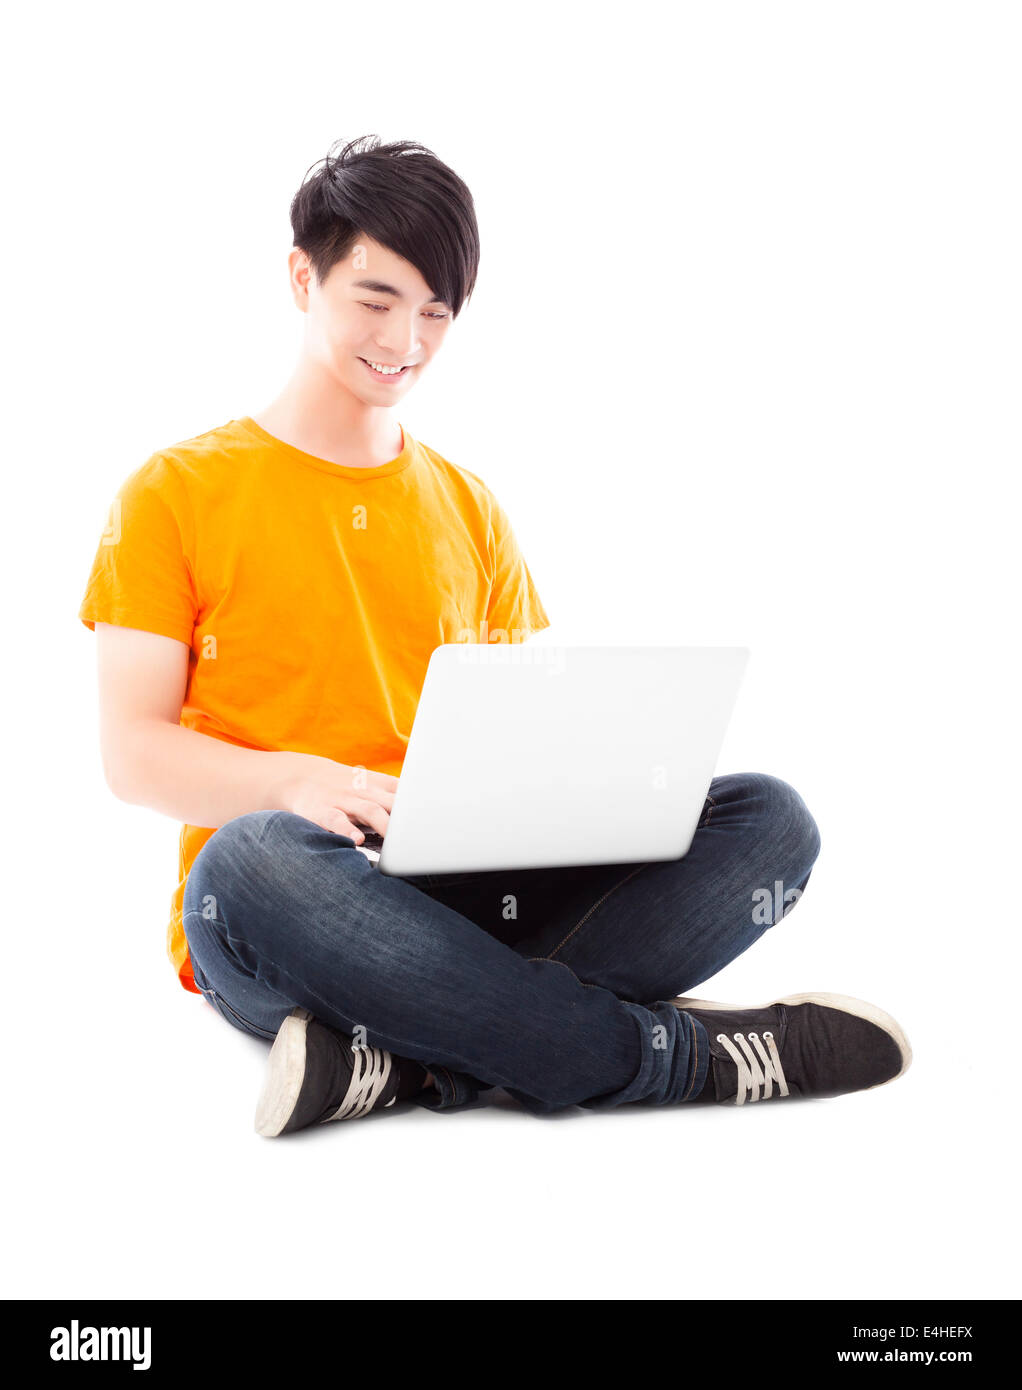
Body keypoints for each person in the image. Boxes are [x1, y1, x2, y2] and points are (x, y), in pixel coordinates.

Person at [78, 135, 911, 1137]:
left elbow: (517, 740)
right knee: (250, 859)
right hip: (289, 913)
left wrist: (575, 805)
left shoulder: (469, 507)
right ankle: (669, 1058)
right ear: (302, 277)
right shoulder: (174, 492)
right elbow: (132, 755)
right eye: (376, 298)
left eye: (436, 311)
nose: (406, 338)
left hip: (470, 903)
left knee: (769, 820)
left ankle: (413, 1063)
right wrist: (292, 781)